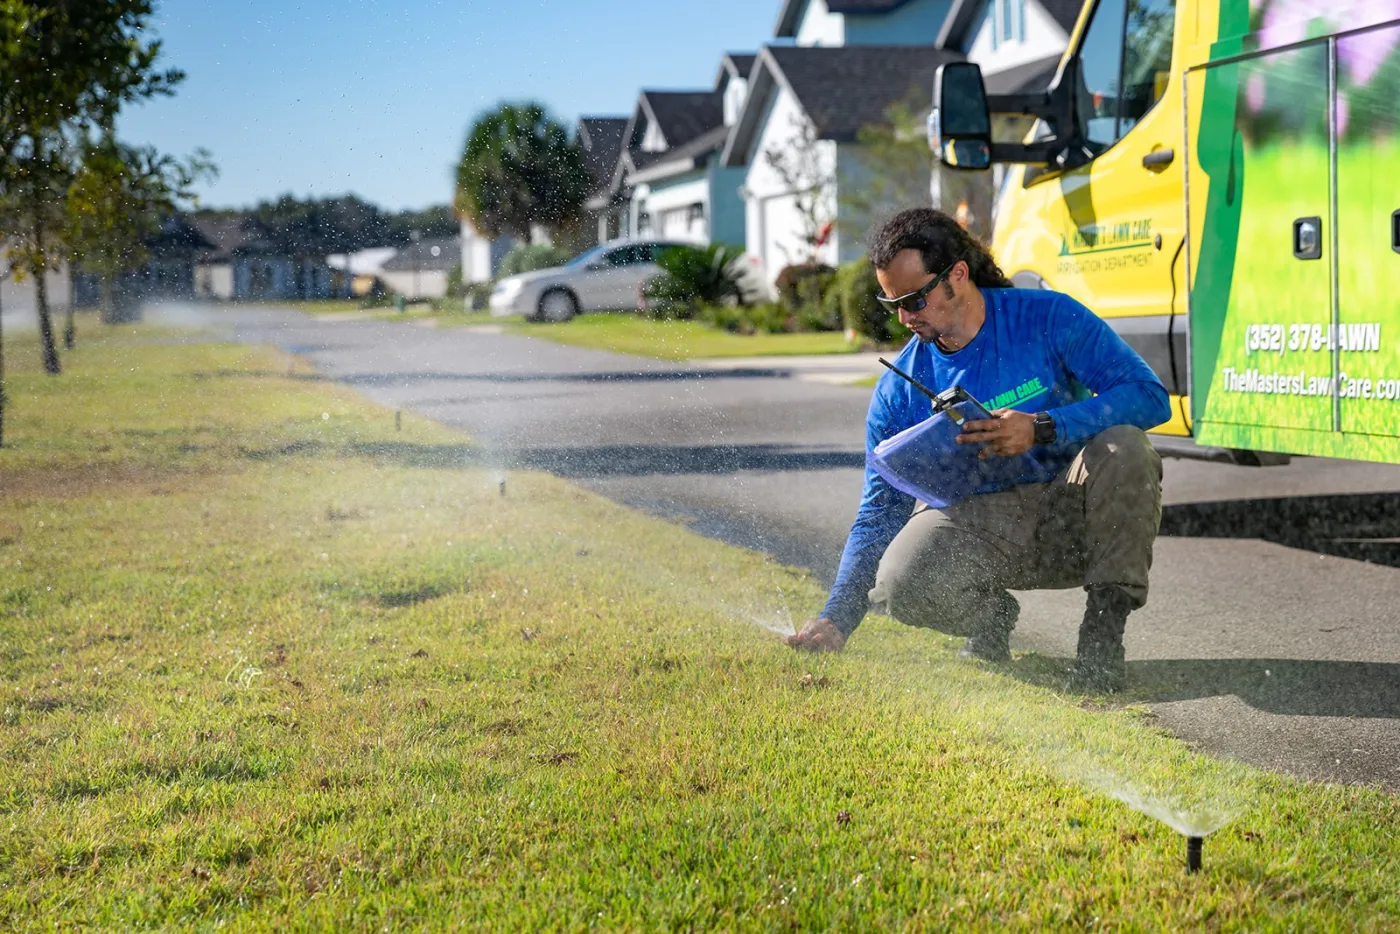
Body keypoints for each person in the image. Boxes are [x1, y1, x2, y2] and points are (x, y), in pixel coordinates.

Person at [785, 208, 1171, 693]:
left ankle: (1101, 639)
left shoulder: (1049, 317)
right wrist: (836, 617)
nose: (905, 317)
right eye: (893, 305)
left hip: (1071, 518)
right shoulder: (898, 389)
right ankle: (990, 618)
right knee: (899, 582)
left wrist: (1044, 426)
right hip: (984, 532)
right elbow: (879, 510)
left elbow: (1149, 395)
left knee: (1127, 447)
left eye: (915, 299)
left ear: (958, 276)